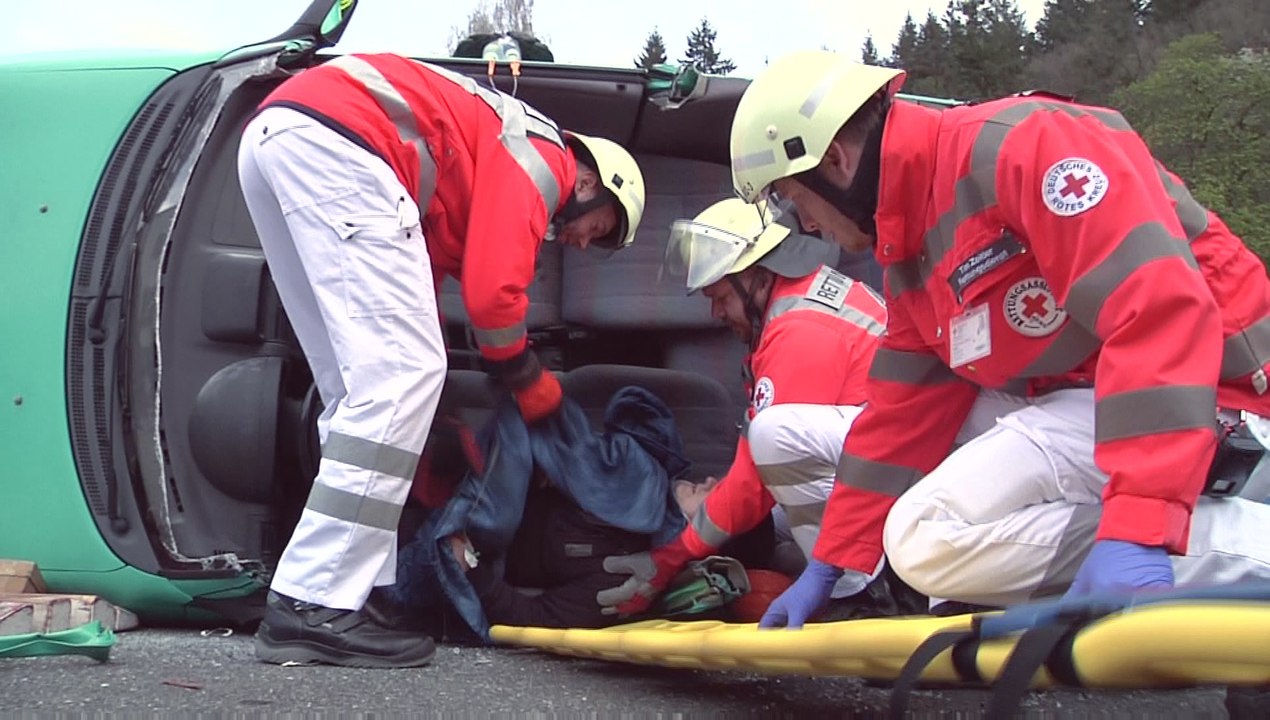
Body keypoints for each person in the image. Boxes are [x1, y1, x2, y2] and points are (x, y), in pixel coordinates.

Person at [727, 50, 1270, 629]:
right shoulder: (913, 253)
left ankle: (1236, 549)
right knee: (927, 524)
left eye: (792, 197)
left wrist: (1139, 524)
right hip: (1094, 404)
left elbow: (1159, 313)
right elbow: (899, 416)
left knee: (922, 536)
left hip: (1214, 394)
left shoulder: (1024, 146)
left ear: (833, 160)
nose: (805, 224)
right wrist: (831, 561)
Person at [236, 51, 645, 666]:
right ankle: (310, 599)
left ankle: (349, 591)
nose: (585, 243)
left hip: (282, 137)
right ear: (590, 183)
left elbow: (414, 282)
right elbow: (491, 297)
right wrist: (528, 380)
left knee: (358, 389)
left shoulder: (489, 147)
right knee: (399, 378)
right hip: (341, 142)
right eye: (602, 228)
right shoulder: (546, 160)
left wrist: (423, 430)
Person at [596, 197, 891, 618]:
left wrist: (671, 558)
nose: (715, 312)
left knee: (774, 438)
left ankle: (860, 593)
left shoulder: (799, 330)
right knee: (769, 520)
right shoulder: (801, 303)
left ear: (755, 276)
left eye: (718, 296)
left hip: (900, 478)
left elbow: (758, 471)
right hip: (891, 467)